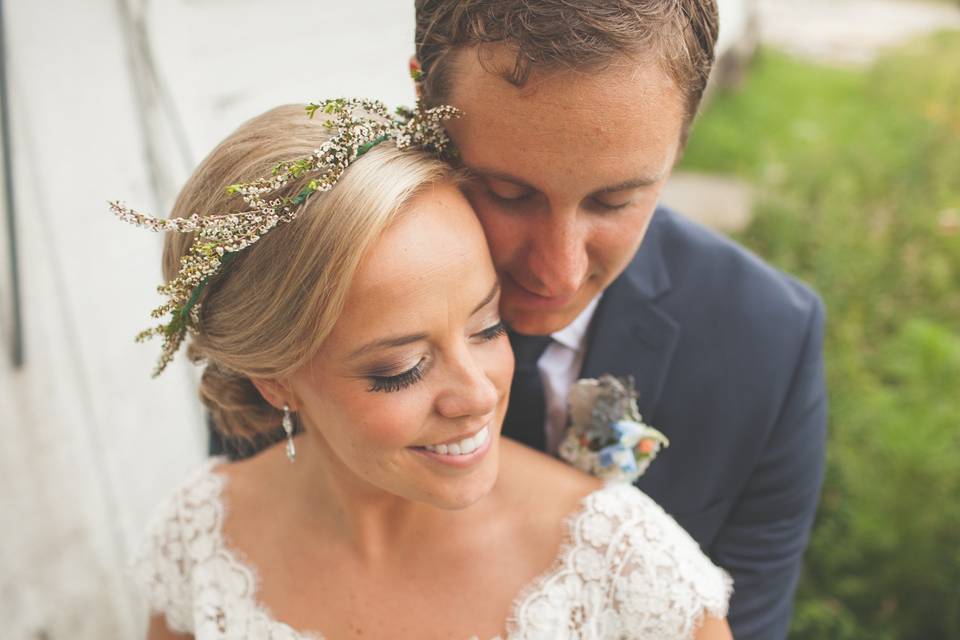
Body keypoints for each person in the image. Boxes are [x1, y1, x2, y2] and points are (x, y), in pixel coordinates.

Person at [124, 102, 733, 639]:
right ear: (276, 379)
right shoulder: (199, 538)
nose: (476, 395)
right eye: (402, 368)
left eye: (489, 327)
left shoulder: (632, 571)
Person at [410, 2, 828, 639]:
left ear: (682, 138)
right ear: (422, 100)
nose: (559, 272)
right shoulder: (308, 302)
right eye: (508, 194)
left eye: (614, 201)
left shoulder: (768, 339)